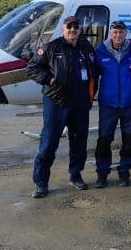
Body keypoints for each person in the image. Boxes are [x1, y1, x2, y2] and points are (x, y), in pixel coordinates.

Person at [26, 15, 96, 198]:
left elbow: (94, 71)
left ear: (79, 30)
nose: (73, 30)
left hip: (80, 103)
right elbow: (32, 68)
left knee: (79, 142)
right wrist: (49, 79)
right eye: (69, 27)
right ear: (63, 29)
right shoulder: (51, 47)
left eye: (76, 27)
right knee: (49, 142)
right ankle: (41, 183)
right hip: (57, 102)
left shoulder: (86, 48)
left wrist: (91, 94)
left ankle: (75, 175)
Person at [93, 20, 131, 188]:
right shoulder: (100, 51)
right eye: (115, 32)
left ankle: (124, 172)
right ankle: (102, 173)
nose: (118, 35)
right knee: (105, 138)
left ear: (126, 33)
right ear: (110, 33)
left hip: (129, 103)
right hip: (108, 104)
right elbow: (93, 76)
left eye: (121, 32)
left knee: (129, 138)